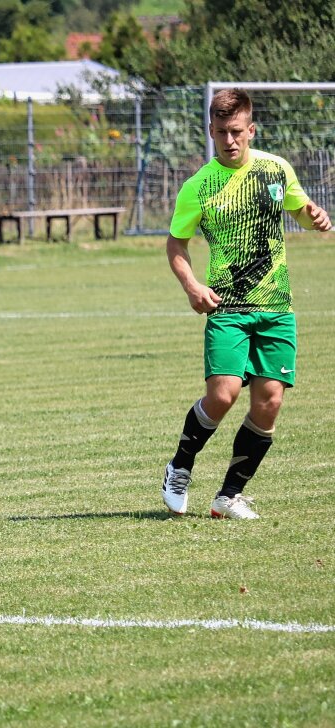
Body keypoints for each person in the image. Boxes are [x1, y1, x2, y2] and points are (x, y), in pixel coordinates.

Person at [161, 88, 331, 520]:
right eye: (221, 132)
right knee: (223, 394)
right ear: (211, 132)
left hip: (276, 306)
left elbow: (299, 206)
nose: (230, 140)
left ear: (251, 129)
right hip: (228, 306)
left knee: (270, 400)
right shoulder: (198, 186)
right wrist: (192, 286)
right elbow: (175, 244)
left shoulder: (276, 170)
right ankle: (180, 467)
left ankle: (228, 495)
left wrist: (315, 215)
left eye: (237, 131)